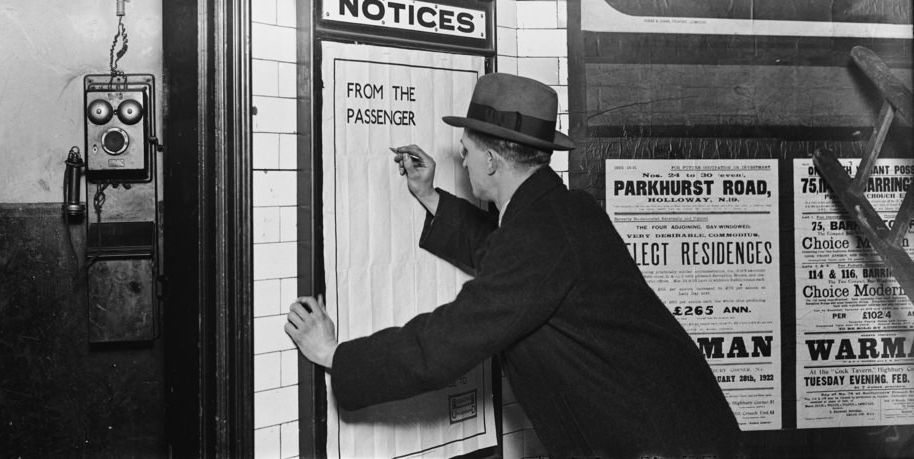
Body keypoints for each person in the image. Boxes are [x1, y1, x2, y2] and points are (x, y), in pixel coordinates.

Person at [286, 72, 742, 459]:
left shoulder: (541, 235)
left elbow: (446, 341)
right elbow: (503, 255)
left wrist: (336, 356)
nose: (461, 159)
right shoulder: (562, 212)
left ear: (490, 159)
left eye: (465, 150)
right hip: (681, 438)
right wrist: (430, 197)